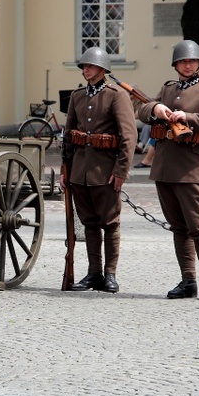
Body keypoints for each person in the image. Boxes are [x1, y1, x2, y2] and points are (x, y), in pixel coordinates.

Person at [137, 40, 199, 301]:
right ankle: (188, 280)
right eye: (182, 61)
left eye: (191, 61)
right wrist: (155, 108)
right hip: (165, 165)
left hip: (193, 165)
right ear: (176, 64)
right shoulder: (169, 89)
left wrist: (188, 118)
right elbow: (142, 109)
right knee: (178, 227)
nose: (187, 64)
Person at [60, 47, 136, 293]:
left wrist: (121, 170)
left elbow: (128, 136)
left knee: (110, 223)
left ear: (103, 69)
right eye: (83, 66)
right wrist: (65, 169)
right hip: (80, 171)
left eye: (90, 66)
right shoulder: (77, 96)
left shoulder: (116, 95)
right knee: (89, 223)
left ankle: (110, 274)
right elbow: (69, 134)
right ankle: (94, 273)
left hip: (106, 171)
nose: (86, 70)